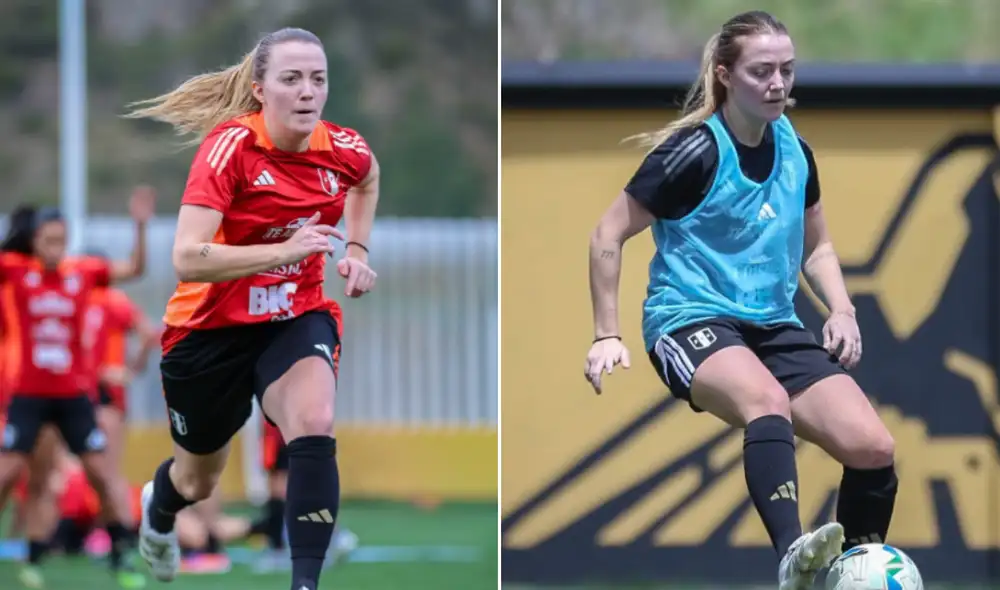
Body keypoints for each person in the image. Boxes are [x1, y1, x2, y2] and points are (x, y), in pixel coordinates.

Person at [583, 11, 897, 590]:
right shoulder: (692, 153)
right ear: (725, 75)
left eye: (787, 70)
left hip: (773, 325)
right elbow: (607, 234)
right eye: (761, 71)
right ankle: (793, 559)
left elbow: (818, 245)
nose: (778, 83)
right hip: (689, 320)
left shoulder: (796, 151)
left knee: (873, 447)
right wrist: (607, 332)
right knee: (766, 399)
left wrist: (843, 310)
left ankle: (855, 575)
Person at [124, 26, 380, 590]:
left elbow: (367, 178)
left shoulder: (344, 149)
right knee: (197, 482)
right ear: (261, 89)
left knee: (314, 423)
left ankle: (305, 583)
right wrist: (284, 249)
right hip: (208, 331)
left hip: (294, 313)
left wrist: (357, 249)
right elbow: (188, 258)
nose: (308, 91)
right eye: (291, 79)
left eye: (318, 79)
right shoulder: (229, 148)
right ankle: (159, 509)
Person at [0, 193, 153, 589]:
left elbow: (135, 268)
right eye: (48, 240)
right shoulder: (16, 272)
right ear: (34, 241)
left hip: (72, 396)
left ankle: (121, 557)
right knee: (15, 473)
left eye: (60, 240)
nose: (55, 248)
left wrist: (139, 226)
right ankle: (32, 557)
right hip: (28, 396)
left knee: (102, 475)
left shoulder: (81, 273)